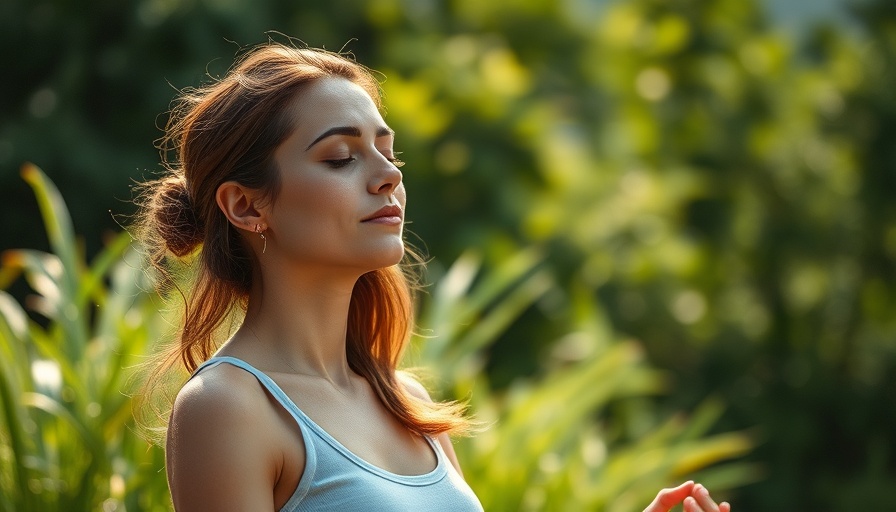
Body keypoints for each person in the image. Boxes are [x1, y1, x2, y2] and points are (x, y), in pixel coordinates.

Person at [136, 41, 731, 512]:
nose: (387, 176)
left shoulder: (406, 403)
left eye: (387, 152)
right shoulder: (228, 408)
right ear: (247, 206)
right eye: (341, 157)